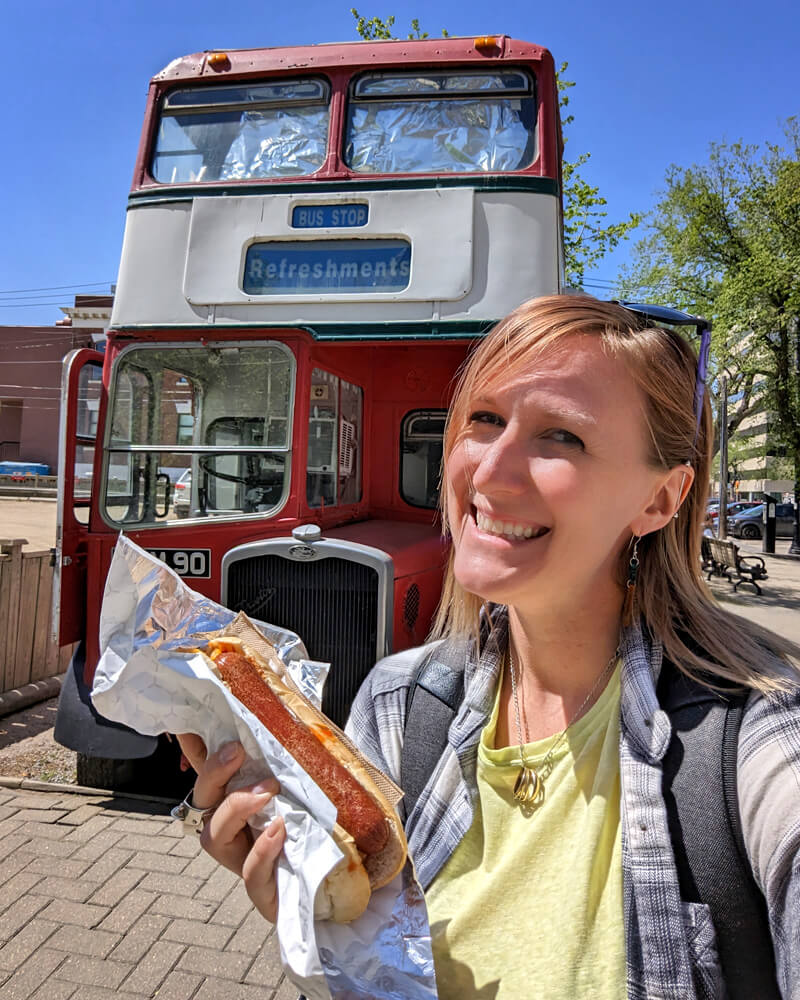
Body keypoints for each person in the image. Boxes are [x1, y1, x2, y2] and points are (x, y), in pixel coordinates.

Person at [178, 295, 800, 999]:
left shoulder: (758, 736)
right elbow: (374, 969)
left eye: (562, 436)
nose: (489, 473)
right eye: (484, 419)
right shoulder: (400, 702)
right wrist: (311, 905)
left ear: (660, 499)